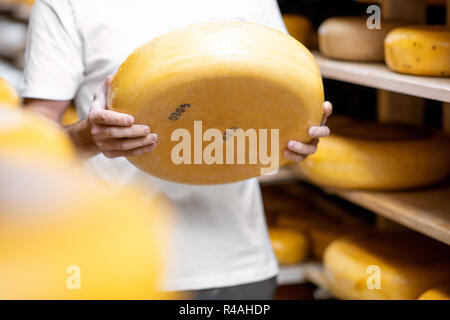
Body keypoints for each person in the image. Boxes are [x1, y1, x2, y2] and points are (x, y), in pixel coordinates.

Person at [21, 0, 332, 299]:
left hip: (236, 266)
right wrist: (87, 137)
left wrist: (298, 131)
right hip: (113, 270)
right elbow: (32, 142)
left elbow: (291, 86)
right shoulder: (65, 4)